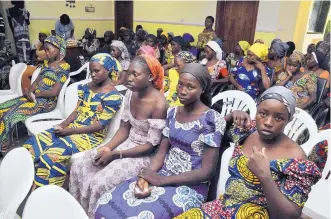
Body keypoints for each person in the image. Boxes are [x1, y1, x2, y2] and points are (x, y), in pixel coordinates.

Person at [94, 63, 225, 219]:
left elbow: (206, 172)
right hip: (162, 176)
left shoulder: (211, 119)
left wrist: (162, 180)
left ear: (202, 89)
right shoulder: (172, 112)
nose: (182, 91)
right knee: (106, 203)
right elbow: (161, 154)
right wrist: (145, 177)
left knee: (139, 216)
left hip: (189, 187)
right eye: (180, 85)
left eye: (190, 87)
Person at [176, 86, 322, 219]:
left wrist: (265, 176)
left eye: (279, 117)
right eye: (263, 114)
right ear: (256, 112)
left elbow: (290, 215)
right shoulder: (248, 131)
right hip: (223, 208)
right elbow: (209, 133)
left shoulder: (297, 158)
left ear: (288, 120)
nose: (268, 122)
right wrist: (231, 116)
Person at [69, 54, 168, 218]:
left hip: (143, 154)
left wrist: (116, 154)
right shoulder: (131, 94)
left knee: (100, 182)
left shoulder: (159, 105)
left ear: (150, 77)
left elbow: (151, 145)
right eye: (128, 73)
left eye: (134, 74)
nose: (128, 78)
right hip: (126, 144)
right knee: (80, 166)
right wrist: (108, 147)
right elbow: (124, 128)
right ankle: (78, 212)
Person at [24, 53, 122, 188]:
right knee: (32, 144)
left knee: (52, 154)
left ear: (108, 70)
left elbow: (100, 125)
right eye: (91, 71)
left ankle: (48, 189)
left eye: (97, 71)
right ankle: (28, 182)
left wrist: (71, 131)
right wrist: (63, 125)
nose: (92, 74)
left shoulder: (113, 96)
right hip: (72, 128)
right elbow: (77, 111)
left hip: (89, 137)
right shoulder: (87, 88)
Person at [0, 35, 70, 153]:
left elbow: (54, 92)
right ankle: (3, 138)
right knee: (2, 108)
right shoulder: (47, 63)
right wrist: (29, 91)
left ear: (58, 48)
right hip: (34, 97)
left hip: (46, 103)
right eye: (45, 50)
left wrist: (35, 95)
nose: (46, 53)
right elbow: (37, 81)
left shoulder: (64, 67)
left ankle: (3, 146)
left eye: (49, 50)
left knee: (9, 116)